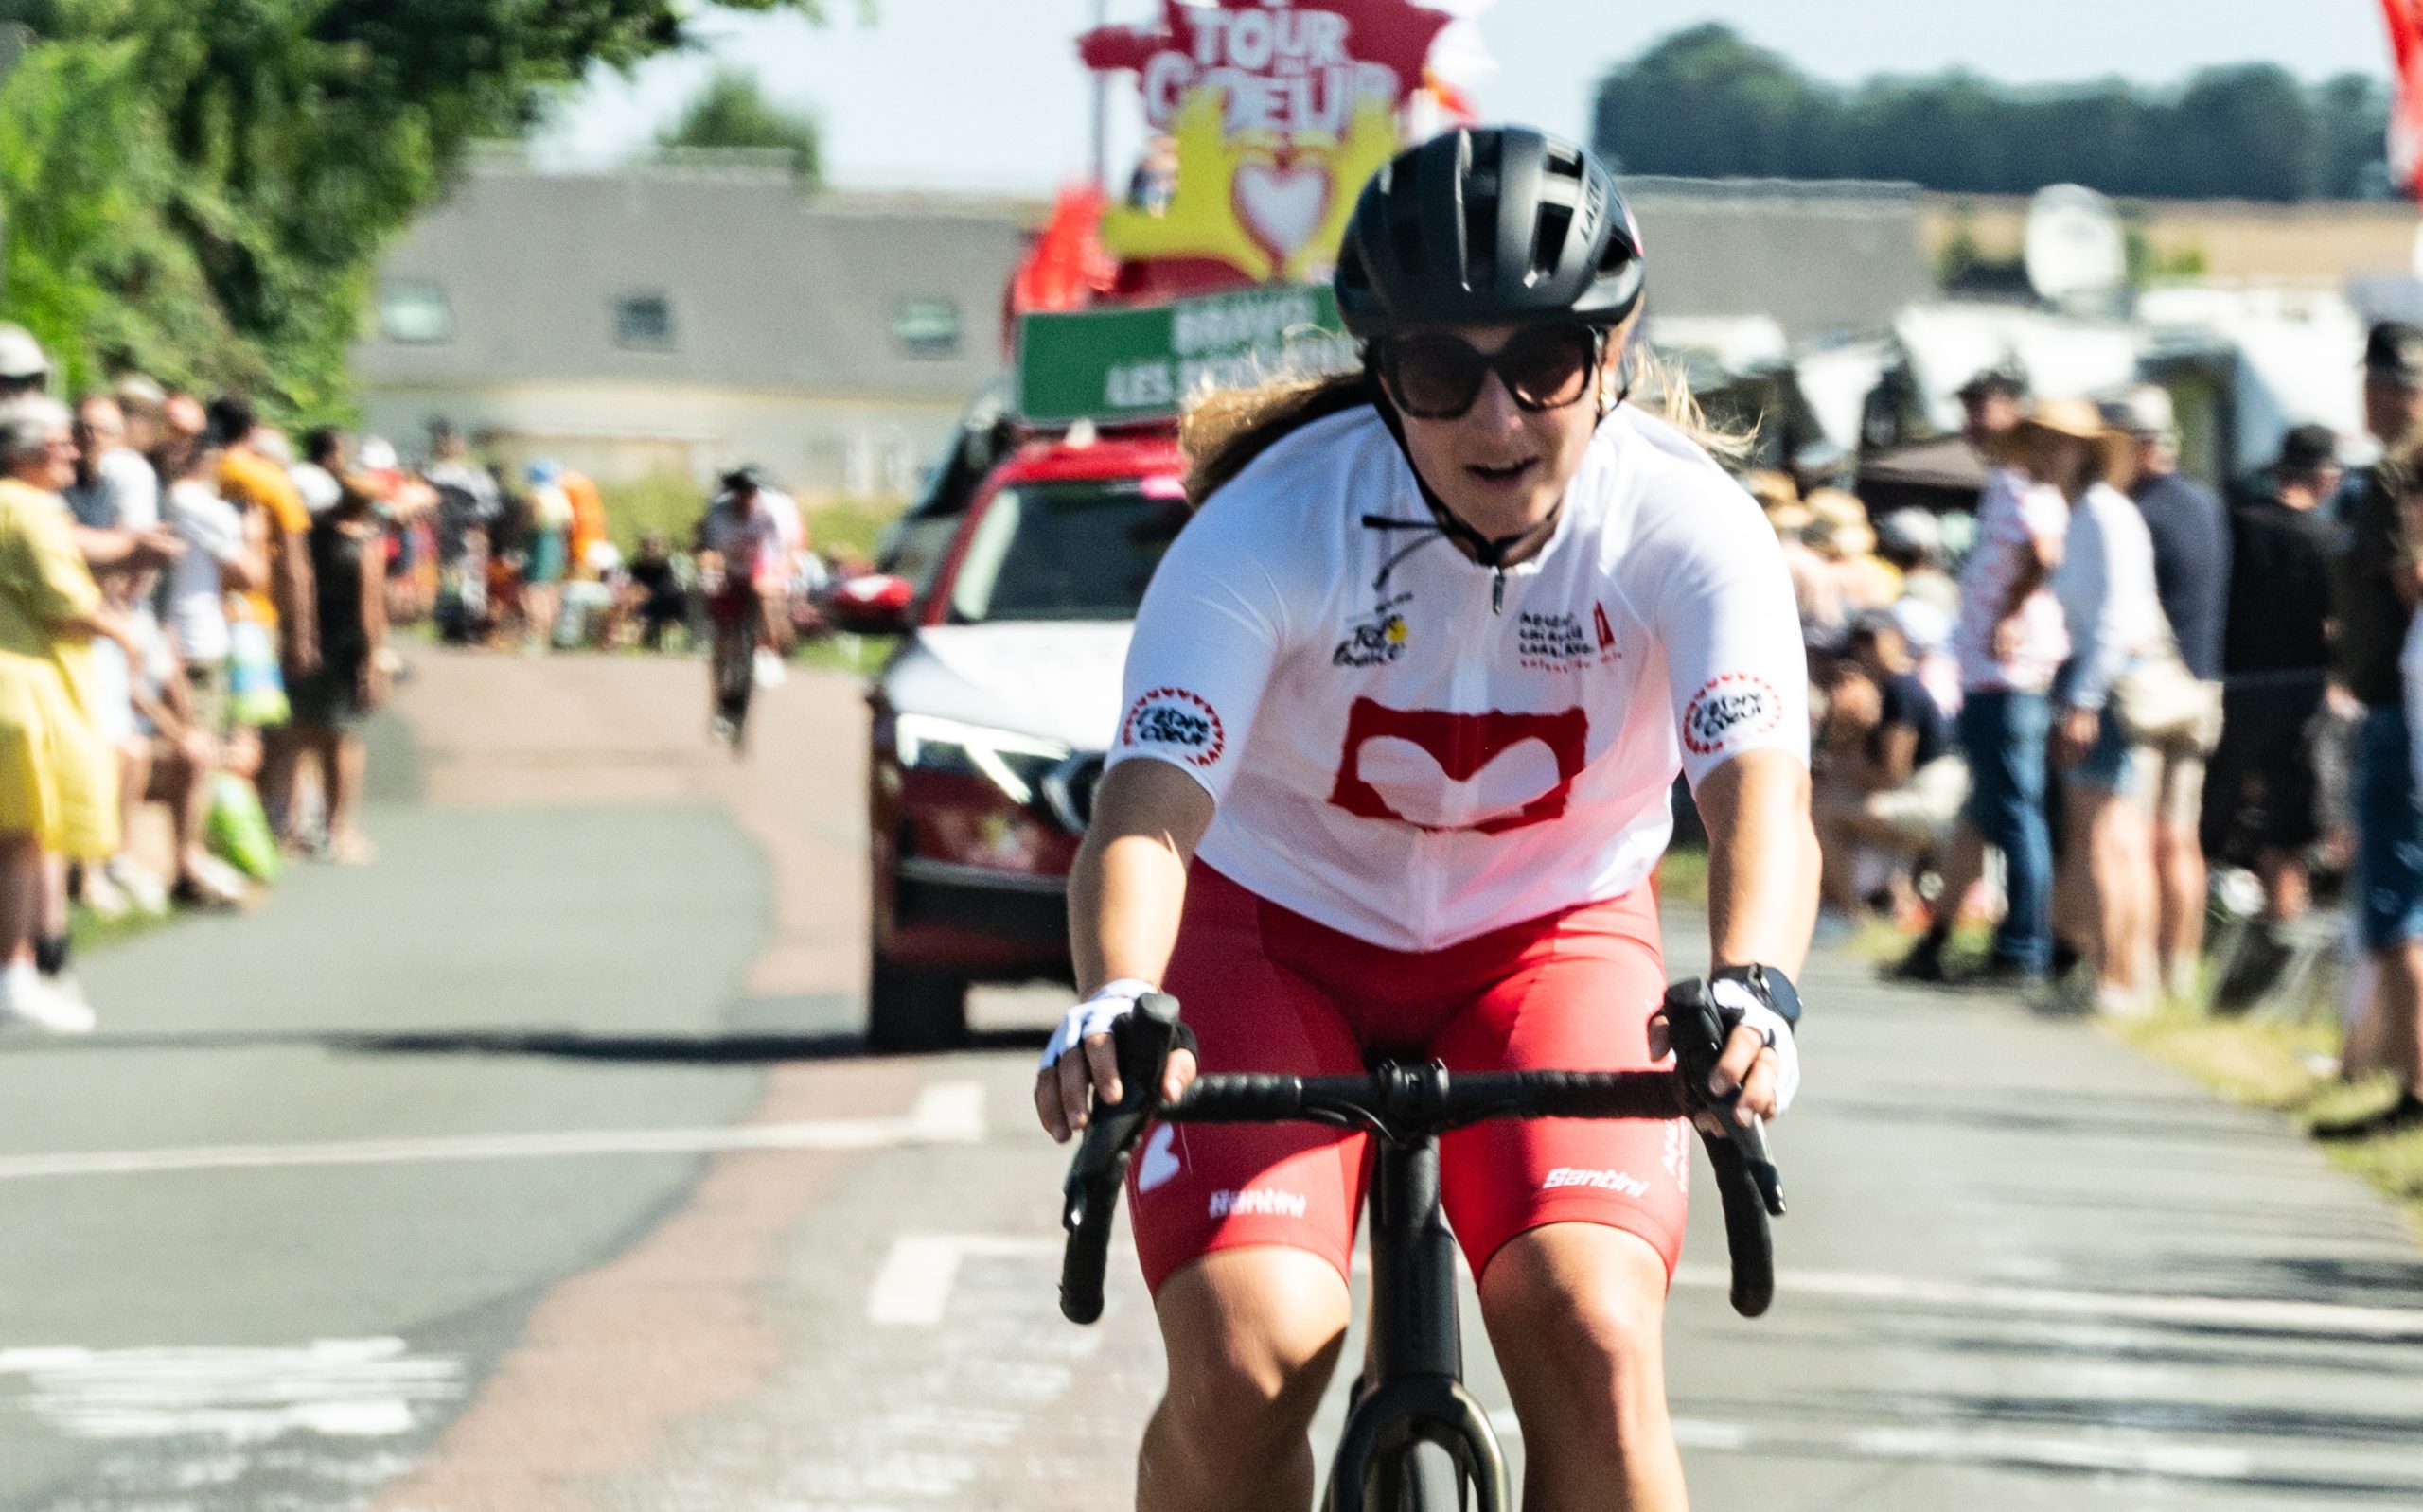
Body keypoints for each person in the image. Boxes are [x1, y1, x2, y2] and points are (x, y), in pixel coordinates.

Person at [1033, 128, 1814, 1512]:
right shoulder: (1272, 523)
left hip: (1549, 936)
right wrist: (1117, 999)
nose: (1497, 421)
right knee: (1248, 1356)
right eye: (1442, 374)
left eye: (1543, 366)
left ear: (1615, 350)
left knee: (1597, 1341)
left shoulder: (1686, 524)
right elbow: (1149, 806)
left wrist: (1754, 984)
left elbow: (1757, 783)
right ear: (1382, 371)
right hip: (1276, 928)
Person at [1893, 368, 2066, 986]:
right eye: (1967, 408)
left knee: (2016, 811)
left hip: (2008, 672)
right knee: (1991, 810)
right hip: (1989, 672)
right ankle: (1969, 940)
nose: (1972, 421)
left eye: (1983, 408)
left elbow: (2044, 554)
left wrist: (2012, 611)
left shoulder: (2021, 481)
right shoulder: (2004, 480)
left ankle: (2024, 949)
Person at [0, 397, 141, 1030]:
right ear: (26, 454)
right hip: (21, 689)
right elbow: (62, 599)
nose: (74, 454)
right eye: (60, 445)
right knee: (23, 838)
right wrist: (121, 631)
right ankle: (14, 972)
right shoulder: (27, 509)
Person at [2322, 323, 2423, 1138]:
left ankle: (2415, 1089)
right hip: (2398, 701)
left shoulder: (2398, 474)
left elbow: (2407, 586)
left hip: (2402, 707)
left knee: (2396, 905)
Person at [2032, 400, 2166, 1016]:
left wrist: (2083, 699)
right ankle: (2120, 973)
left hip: (2104, 683)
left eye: (2061, 444)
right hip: (2102, 678)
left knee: (2105, 837)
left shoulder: (2101, 514)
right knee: (2112, 836)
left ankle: (2117, 976)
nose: (2047, 455)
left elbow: (2113, 617)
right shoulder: (2091, 512)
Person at [2109, 385, 2229, 999]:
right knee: (2181, 837)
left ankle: (2140, 974)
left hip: (2150, 689)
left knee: (2132, 836)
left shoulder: (2135, 512)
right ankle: (2181, 970)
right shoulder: (2205, 503)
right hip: (2203, 687)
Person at [2206, 425, 2340, 931]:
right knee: (2288, 823)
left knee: (2214, 817)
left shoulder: (2235, 525)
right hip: (2301, 691)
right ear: (2325, 477)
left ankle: (2181, 942)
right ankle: (2279, 930)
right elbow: (2338, 625)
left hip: (2233, 689)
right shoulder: (2327, 541)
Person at [1814, 610, 1965, 922]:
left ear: (1897, 641)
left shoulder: (1901, 688)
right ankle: (1881, 900)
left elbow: (1892, 773)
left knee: (1825, 811)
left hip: (1935, 801)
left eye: (1872, 640)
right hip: (1918, 796)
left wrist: (1831, 768)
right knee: (1828, 798)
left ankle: (1849, 913)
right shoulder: (1885, 689)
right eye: (1859, 642)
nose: (1864, 650)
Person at [212, 396, 316, 836]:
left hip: (206, 614)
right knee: (260, 727)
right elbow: (294, 563)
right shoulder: (270, 480)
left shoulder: (203, 474)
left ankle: (220, 824)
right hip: (257, 615)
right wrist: (303, 632)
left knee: (218, 725)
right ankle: (265, 823)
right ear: (251, 431)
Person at [287, 471, 389, 862]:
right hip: (347, 649)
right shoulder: (364, 546)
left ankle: (294, 825)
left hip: (311, 643)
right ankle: (338, 829)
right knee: (343, 740)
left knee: (303, 734)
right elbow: (370, 608)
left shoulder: (314, 538)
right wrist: (374, 661)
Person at [694, 466, 787, 739]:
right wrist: (710, 576)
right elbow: (709, 551)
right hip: (727, 570)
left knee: (765, 595)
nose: (748, 499)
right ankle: (720, 697)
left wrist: (768, 586)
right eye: (743, 494)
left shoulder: (768, 515)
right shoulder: (719, 513)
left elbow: (772, 558)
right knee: (724, 637)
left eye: (752, 494)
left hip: (755, 570)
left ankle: (771, 645)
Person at [424, 422, 499, 642]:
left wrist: (478, 529)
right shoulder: (430, 473)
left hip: (466, 536)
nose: (448, 446)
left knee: (470, 582)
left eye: (453, 441)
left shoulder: (474, 476)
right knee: (445, 582)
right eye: (444, 442)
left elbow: (489, 507)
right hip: (438, 538)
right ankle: (449, 625)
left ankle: (470, 625)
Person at [520, 460, 573, 651]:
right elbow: (568, 523)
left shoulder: (536, 495)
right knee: (551, 588)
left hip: (539, 542)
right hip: (557, 543)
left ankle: (535, 633)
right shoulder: (561, 496)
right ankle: (548, 635)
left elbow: (528, 519)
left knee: (534, 588)